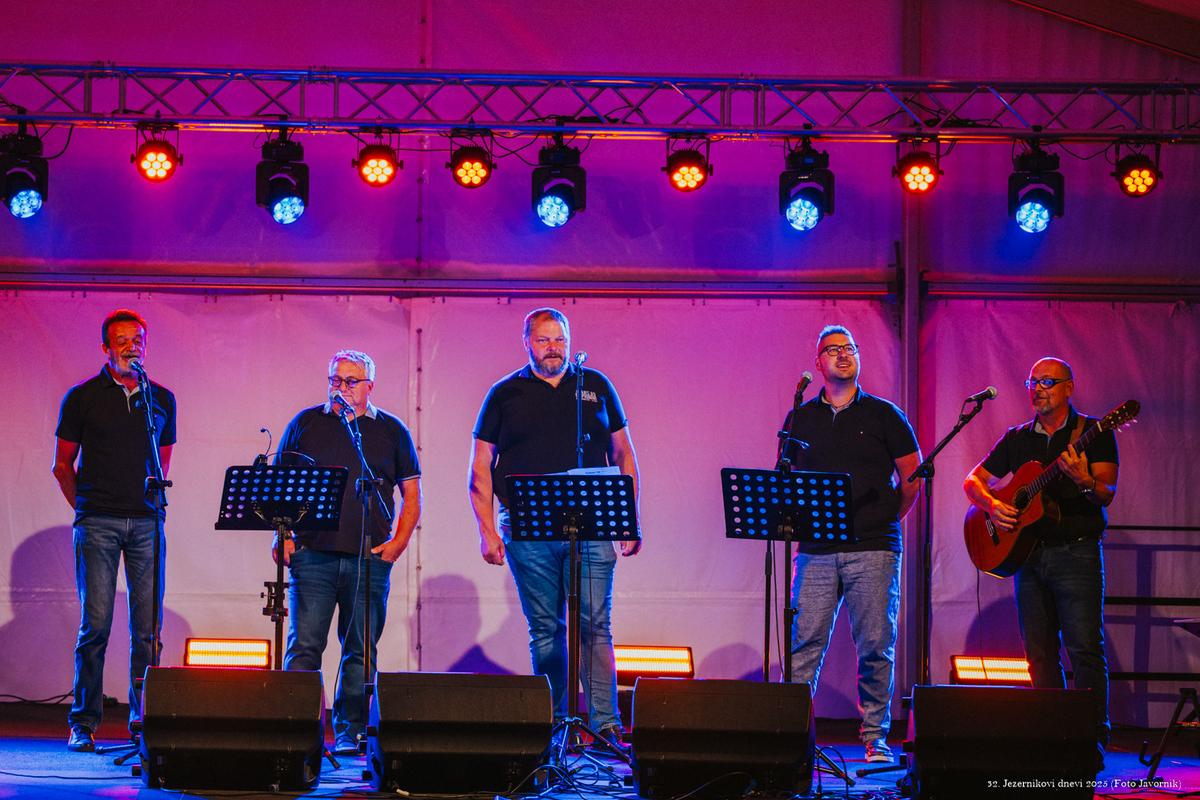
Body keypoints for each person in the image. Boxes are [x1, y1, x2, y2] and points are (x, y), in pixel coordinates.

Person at [469, 308, 641, 753]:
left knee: (595, 625)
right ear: (527, 342)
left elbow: (623, 454)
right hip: (526, 530)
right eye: (544, 340)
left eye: (560, 340)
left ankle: (605, 726)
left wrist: (629, 518)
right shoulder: (504, 393)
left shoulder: (595, 385)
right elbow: (481, 467)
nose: (553, 348)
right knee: (546, 629)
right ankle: (556, 724)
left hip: (593, 526)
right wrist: (487, 530)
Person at [964, 357, 1117, 771]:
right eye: (1032, 382)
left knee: (1084, 648)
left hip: (1077, 552)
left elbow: (1105, 492)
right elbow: (973, 480)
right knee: (1039, 653)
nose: (1038, 389)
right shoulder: (1016, 438)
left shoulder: (1095, 431)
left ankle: (1090, 740)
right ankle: (1052, 736)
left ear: (1069, 387)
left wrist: (1084, 480)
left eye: (1047, 382)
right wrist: (993, 505)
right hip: (1029, 556)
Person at [777, 325, 921, 764]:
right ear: (818, 363)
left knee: (876, 644)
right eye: (833, 349)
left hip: (873, 547)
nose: (843, 354)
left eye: (850, 348)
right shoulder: (800, 417)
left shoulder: (884, 414)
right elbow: (785, 479)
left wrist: (885, 520)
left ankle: (875, 738)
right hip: (815, 549)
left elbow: (912, 477)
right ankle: (791, 738)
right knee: (803, 643)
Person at [275, 350, 421, 756]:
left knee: (360, 650)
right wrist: (283, 536)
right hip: (313, 556)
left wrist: (397, 545)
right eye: (335, 380)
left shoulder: (391, 429)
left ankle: (350, 732)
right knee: (305, 647)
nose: (341, 387)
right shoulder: (305, 423)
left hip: (369, 559)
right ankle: (296, 731)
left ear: (370, 386)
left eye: (351, 381)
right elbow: (278, 487)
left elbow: (412, 494)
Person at [53, 309, 177, 753]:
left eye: (137, 339)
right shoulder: (83, 397)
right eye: (121, 340)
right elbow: (62, 465)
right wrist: (87, 510)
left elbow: (163, 462)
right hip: (98, 523)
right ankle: (83, 723)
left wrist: (146, 504)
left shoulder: (161, 398)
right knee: (96, 626)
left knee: (147, 631)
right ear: (106, 348)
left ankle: (143, 724)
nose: (131, 347)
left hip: (147, 523)